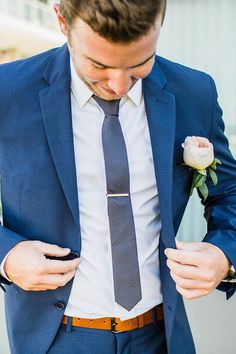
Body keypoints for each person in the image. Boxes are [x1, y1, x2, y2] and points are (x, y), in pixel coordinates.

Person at [0, 1, 236, 353]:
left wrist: (225, 255)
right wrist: (5, 256)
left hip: (162, 336)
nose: (120, 84)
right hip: (55, 339)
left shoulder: (194, 91)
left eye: (141, 63)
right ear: (62, 21)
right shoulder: (7, 92)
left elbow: (229, 191)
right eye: (99, 65)